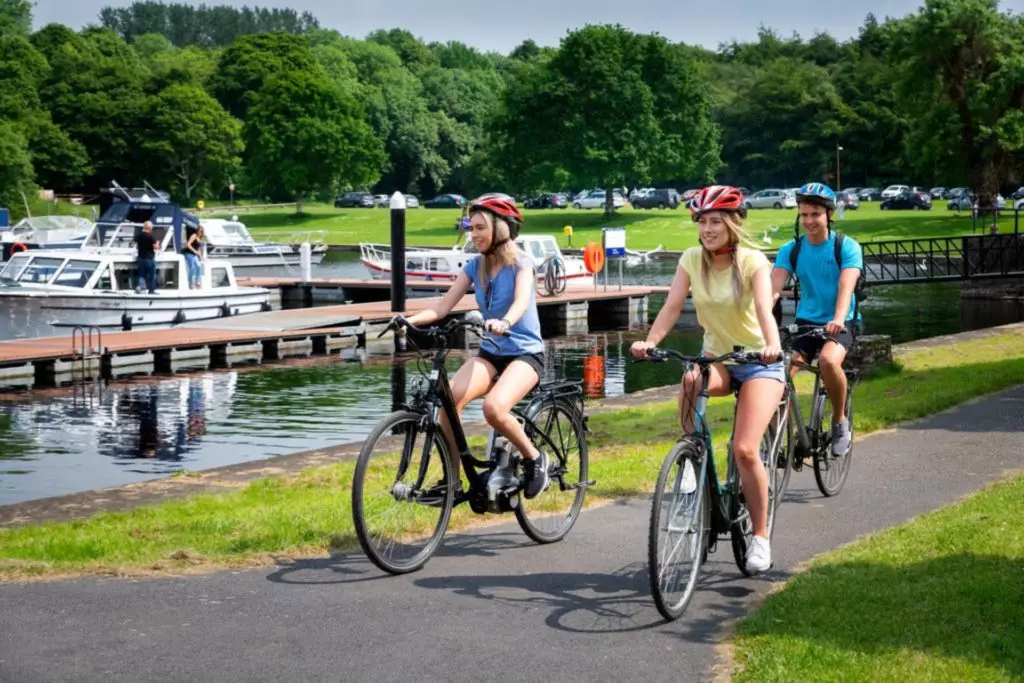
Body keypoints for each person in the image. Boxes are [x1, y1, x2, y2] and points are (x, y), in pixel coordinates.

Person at [631, 185, 783, 574]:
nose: (707, 229)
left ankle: (761, 537)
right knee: (690, 380)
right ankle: (691, 457)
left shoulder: (752, 261)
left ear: (733, 224)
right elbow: (671, 306)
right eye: (702, 222)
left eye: (716, 221)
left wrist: (772, 345)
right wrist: (650, 341)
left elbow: (764, 308)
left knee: (745, 450)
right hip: (718, 358)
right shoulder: (691, 259)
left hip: (758, 362)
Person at [401, 193, 549, 500]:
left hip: (525, 353)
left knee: (493, 408)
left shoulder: (521, 263)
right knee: (449, 401)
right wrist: (406, 321)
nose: (474, 234)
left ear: (501, 228)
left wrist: (505, 322)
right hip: (490, 353)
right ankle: (452, 481)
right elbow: (441, 308)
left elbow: (521, 301)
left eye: (480, 227)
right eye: (471, 228)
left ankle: (535, 458)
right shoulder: (474, 266)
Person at [771, 182, 863, 457]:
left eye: (815, 214)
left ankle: (839, 420)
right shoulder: (791, 249)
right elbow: (773, 289)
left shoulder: (846, 246)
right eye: (804, 215)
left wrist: (838, 318)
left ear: (828, 215)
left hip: (841, 320)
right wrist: (756, 318)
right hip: (806, 321)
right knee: (778, 375)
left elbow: (846, 287)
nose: (809, 220)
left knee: (828, 361)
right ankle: (779, 437)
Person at [135, 221, 157, 294]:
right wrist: (157, 243)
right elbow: (156, 247)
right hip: (149, 258)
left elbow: (137, 246)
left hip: (140, 258)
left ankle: (140, 287)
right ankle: (151, 291)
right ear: (150, 228)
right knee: (152, 276)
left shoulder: (139, 235)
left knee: (142, 275)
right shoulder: (151, 237)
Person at [184, 225, 205, 289]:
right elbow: (188, 244)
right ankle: (190, 283)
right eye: (199, 231)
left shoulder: (199, 238)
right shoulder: (194, 236)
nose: (200, 232)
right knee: (192, 268)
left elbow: (198, 249)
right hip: (189, 254)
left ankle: (197, 281)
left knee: (199, 266)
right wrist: (195, 251)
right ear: (197, 230)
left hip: (194, 255)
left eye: (201, 231)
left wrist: (201, 257)